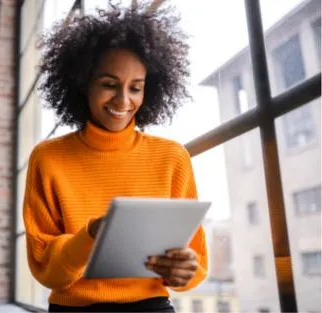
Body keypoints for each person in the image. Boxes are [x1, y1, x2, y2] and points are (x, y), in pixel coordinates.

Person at [23, 2, 208, 312]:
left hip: (151, 305)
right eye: (109, 85)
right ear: (82, 83)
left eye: (135, 88)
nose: (124, 100)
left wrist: (185, 270)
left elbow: (195, 261)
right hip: (74, 307)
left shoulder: (172, 157)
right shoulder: (48, 158)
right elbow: (47, 270)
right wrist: (91, 235)